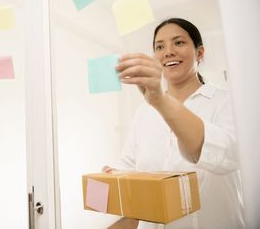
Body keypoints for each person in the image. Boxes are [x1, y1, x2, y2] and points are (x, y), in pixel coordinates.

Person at [104, 18, 244, 229]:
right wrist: (116, 177)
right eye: (159, 46)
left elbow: (227, 155)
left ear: (200, 53)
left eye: (178, 42)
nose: (168, 51)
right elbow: (130, 167)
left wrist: (160, 100)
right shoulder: (144, 112)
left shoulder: (228, 102)